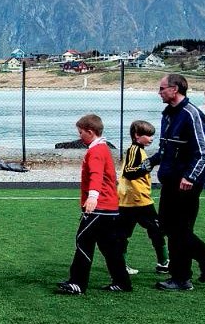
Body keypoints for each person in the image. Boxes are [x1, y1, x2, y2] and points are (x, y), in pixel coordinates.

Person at [152, 74, 205, 291]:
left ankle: (187, 273)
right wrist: (151, 162)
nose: (159, 92)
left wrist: (190, 176)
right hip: (170, 180)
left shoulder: (191, 114)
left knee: (180, 229)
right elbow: (166, 148)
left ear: (175, 89)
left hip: (185, 183)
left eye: (162, 88)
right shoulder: (168, 115)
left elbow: (203, 151)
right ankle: (194, 265)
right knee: (168, 227)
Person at [56, 114, 132, 294]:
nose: (79, 135)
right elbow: (110, 178)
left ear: (90, 132)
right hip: (109, 208)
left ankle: (78, 283)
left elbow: (96, 176)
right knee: (109, 247)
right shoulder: (104, 148)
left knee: (84, 241)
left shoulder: (95, 151)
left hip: (99, 208)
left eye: (81, 132)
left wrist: (92, 197)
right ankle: (122, 282)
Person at [117, 121, 169, 276]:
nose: (151, 138)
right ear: (137, 136)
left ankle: (162, 263)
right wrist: (154, 160)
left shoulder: (138, 150)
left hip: (132, 198)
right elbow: (129, 172)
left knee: (126, 233)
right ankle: (163, 262)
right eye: (147, 135)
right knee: (156, 229)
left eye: (152, 135)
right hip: (137, 199)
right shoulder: (134, 150)